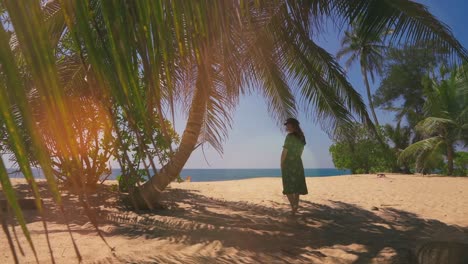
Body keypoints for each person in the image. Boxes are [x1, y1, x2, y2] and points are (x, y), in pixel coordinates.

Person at [281, 118, 308, 216]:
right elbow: (301, 152)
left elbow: (284, 152)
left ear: (292, 125)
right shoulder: (302, 137)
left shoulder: (289, 136)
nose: (286, 126)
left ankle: (293, 206)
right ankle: (295, 208)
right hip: (298, 163)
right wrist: (296, 159)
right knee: (297, 188)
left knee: (287, 187)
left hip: (288, 163)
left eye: (287, 124)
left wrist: (282, 164)